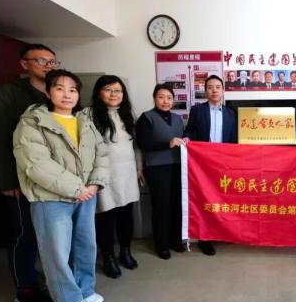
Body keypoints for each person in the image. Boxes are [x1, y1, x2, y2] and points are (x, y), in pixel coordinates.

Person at [13, 69, 109, 302]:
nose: (67, 94)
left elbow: (101, 154)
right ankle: (66, 300)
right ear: (47, 92)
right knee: (56, 251)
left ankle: (85, 289)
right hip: (50, 198)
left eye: (72, 90)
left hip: (86, 195)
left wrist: (95, 184)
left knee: (85, 245)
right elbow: (36, 163)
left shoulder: (84, 122)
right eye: (59, 88)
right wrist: (77, 189)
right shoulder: (33, 122)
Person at [0, 43, 59, 302]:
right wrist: (7, 180)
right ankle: (25, 288)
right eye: (42, 60)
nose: (49, 66)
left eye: (52, 61)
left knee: (50, 233)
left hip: (55, 180)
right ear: (25, 65)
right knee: (25, 232)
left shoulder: (57, 93)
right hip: (22, 179)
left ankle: (48, 280)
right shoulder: (9, 94)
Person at [83, 75, 141, 279]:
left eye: (118, 90)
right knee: (106, 216)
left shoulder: (127, 115)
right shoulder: (88, 115)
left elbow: (135, 146)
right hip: (103, 175)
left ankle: (125, 252)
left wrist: (139, 168)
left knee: (126, 215)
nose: (113, 94)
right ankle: (108, 257)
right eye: (108, 90)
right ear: (99, 93)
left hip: (127, 174)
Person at [184, 75, 238, 256]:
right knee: (205, 200)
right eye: (210, 87)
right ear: (205, 91)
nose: (214, 90)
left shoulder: (231, 113)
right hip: (203, 163)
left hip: (224, 163)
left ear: (223, 90)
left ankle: (222, 233)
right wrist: (187, 138)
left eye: (217, 87)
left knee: (223, 198)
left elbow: (234, 139)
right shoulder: (197, 110)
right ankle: (205, 239)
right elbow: (189, 131)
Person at [136, 83, 185, 260]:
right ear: (154, 98)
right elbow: (143, 143)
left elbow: (181, 139)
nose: (165, 101)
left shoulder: (178, 119)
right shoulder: (146, 117)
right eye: (161, 97)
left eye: (169, 98)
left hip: (178, 167)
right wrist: (168, 143)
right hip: (157, 168)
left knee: (177, 205)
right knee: (161, 207)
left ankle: (175, 240)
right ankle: (162, 245)